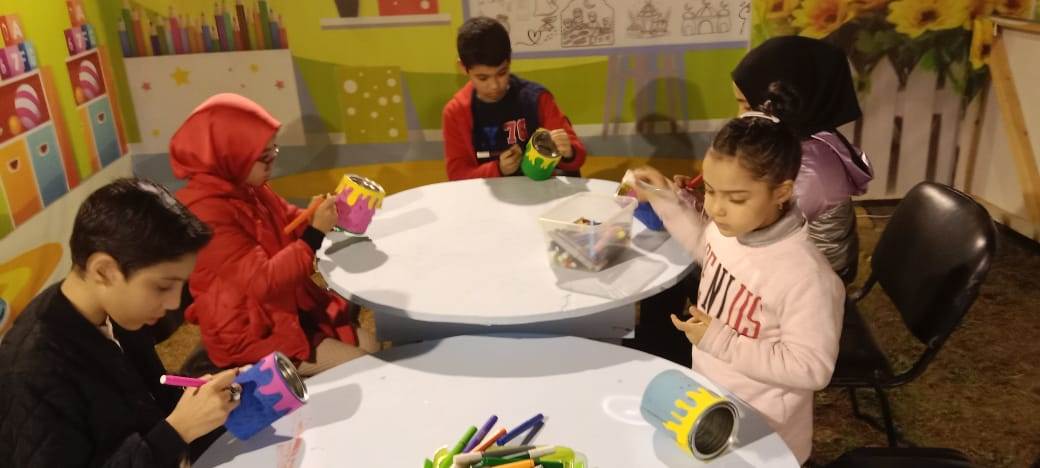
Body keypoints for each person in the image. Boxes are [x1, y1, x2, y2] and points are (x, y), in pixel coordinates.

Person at [633, 87, 844, 463]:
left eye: (736, 198)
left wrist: (720, 340)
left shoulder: (806, 277)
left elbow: (811, 368)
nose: (716, 209)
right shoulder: (731, 230)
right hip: (713, 401)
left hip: (766, 433)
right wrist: (664, 197)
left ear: (781, 191)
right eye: (711, 191)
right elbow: (705, 246)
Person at [0, 178, 243, 467]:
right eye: (163, 286)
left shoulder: (116, 312)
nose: (173, 303)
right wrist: (177, 431)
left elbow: (147, 405)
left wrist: (199, 401)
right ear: (103, 271)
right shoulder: (33, 368)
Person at [170, 93, 379, 376]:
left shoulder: (246, 186)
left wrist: (314, 214)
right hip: (251, 332)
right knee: (367, 367)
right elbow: (263, 281)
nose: (272, 162)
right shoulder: (205, 213)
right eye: (263, 156)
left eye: (273, 151)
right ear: (232, 155)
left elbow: (288, 220)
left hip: (286, 309)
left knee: (372, 347)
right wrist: (314, 233)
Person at [731, 35, 874, 283]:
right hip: (786, 254)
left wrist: (690, 205)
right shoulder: (790, 140)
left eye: (745, 106)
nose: (737, 116)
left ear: (783, 104)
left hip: (816, 278)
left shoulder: (808, 172)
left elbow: (751, 227)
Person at [442, 16, 586, 180]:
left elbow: (577, 157)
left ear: (509, 60)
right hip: (486, 194)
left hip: (539, 190)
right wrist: (498, 169)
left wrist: (569, 152)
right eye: (483, 78)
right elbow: (457, 175)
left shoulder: (536, 98)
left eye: (502, 73)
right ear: (463, 67)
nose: (494, 85)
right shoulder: (456, 112)